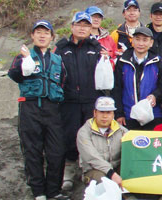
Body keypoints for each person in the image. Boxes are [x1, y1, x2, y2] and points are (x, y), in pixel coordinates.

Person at [8, 20, 68, 200]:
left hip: (52, 109)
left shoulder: (58, 60)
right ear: (32, 36)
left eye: (46, 32)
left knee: (57, 151)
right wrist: (25, 61)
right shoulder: (23, 56)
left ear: (52, 37)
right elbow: (15, 75)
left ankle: (54, 191)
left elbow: (63, 81)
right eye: (38, 32)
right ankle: (38, 192)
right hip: (30, 108)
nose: (42, 35)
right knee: (32, 150)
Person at [55, 11, 104, 191]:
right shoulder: (61, 48)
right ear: (72, 27)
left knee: (91, 137)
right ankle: (69, 169)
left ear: (91, 28)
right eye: (79, 25)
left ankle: (88, 170)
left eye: (86, 25)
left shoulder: (96, 47)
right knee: (69, 136)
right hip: (68, 101)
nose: (82, 28)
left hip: (91, 100)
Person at [112, 27, 162, 130]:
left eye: (145, 40)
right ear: (132, 41)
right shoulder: (123, 61)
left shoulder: (158, 62)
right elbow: (117, 88)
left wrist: (155, 95)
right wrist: (119, 113)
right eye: (137, 39)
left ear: (151, 43)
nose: (141, 43)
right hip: (129, 115)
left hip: (153, 115)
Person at [76, 97, 129, 187]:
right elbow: (92, 157)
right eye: (101, 112)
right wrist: (111, 173)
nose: (105, 116)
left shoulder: (122, 131)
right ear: (95, 113)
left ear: (113, 115)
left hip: (116, 168)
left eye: (108, 112)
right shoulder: (84, 132)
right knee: (104, 184)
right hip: (94, 170)